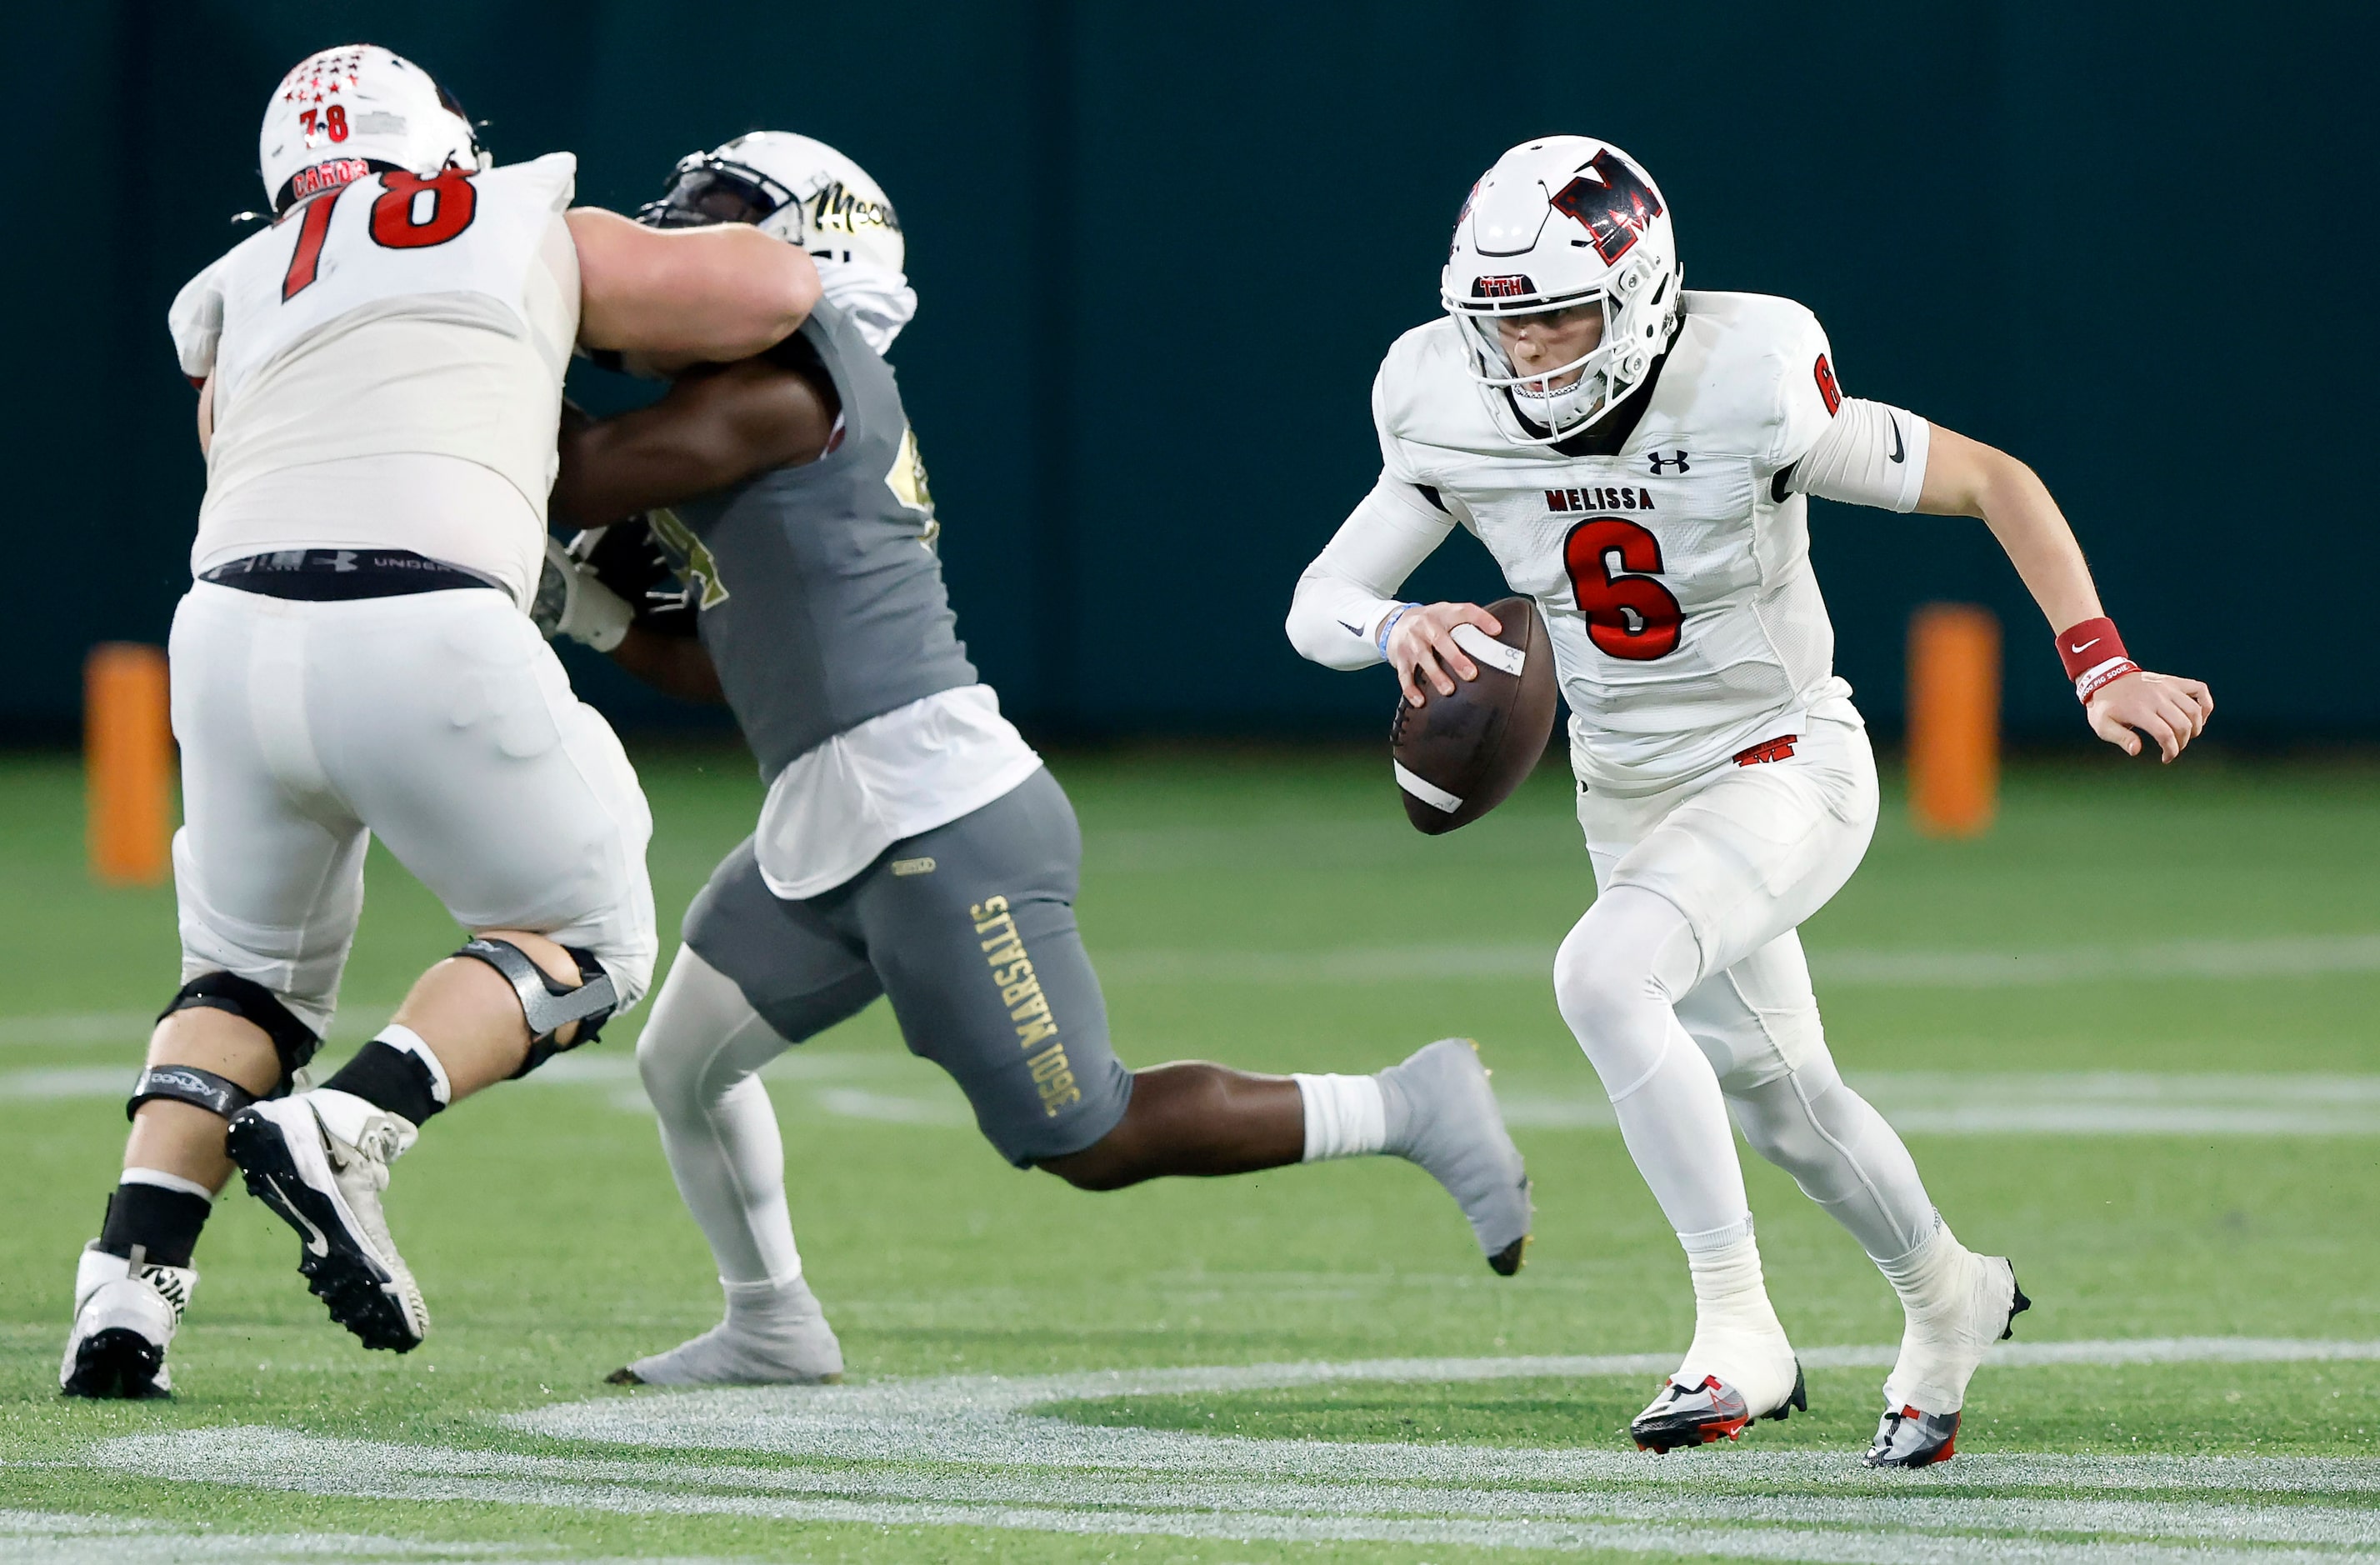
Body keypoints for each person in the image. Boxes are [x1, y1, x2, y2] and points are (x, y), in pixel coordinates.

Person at [536, 132, 1533, 1387]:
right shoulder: (739, 406)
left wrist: (470, 317)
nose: (682, 245)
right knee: (682, 1063)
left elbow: (568, 464)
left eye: (722, 221)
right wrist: (585, 609)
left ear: (806, 262)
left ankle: (1407, 1104)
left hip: (938, 821)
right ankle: (773, 1322)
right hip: (835, 814)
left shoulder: (787, 391)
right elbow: (730, 667)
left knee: (1088, 1133)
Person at [1286, 136, 2212, 1467]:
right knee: (1787, 1098)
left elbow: (1993, 480)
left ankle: (1739, 1328)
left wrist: (2100, 663)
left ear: (1643, 293)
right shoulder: (1442, 403)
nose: (1529, 354)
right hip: (1627, 792)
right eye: (1501, 322)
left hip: (1785, 759)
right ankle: (1949, 1294)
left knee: (1604, 978)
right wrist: (1393, 626)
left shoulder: (1750, 381)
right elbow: (1315, 603)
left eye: (1554, 316)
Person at [59, 45, 819, 1399]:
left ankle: (124, 1303)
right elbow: (771, 288)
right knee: (590, 936)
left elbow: (260, 451)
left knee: (238, 983)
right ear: (435, 136)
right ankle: (356, 1121)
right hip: (422, 619)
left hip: (226, 634)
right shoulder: (516, 210)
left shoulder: (236, 285)